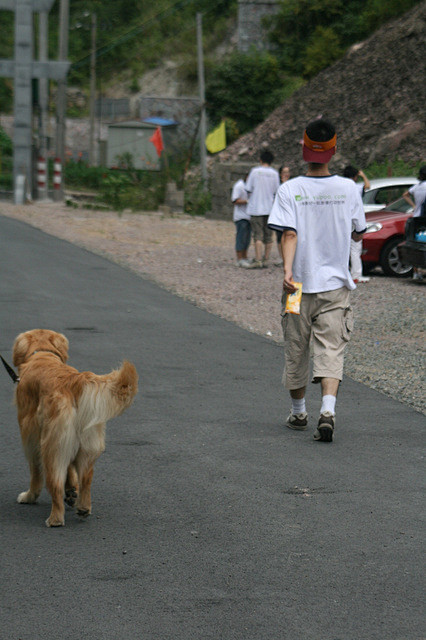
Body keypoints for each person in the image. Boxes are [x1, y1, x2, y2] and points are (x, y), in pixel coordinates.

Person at [268, 118, 367, 442]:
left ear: (303, 148)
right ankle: (328, 410)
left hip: (296, 286)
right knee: (331, 349)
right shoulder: (349, 188)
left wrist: (287, 271)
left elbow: (290, 233)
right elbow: (357, 230)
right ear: (333, 150)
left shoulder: (289, 189)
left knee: (296, 349)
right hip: (335, 286)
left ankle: (299, 413)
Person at [245, 150, 280, 268]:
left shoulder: (255, 172)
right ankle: (266, 259)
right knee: (269, 235)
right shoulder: (275, 174)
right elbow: (276, 191)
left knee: (257, 235)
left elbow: (248, 188)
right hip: (270, 208)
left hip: (256, 207)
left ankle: (258, 259)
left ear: (260, 160)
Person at [343, 165, 371, 283]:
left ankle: (342, 274)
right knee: (355, 249)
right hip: (353, 222)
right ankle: (356, 275)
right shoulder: (356, 187)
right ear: (355, 177)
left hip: (340, 221)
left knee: (342, 249)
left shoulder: (339, 187)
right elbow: (368, 186)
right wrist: (363, 175)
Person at [402, 165, 426, 281]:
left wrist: (413, 206)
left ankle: (416, 272)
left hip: (416, 218)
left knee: (416, 244)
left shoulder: (416, 187)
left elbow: (405, 195)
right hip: (425, 218)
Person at [231, 174, 251, 267]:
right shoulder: (239, 186)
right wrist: (247, 201)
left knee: (247, 238)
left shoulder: (251, 187)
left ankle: (245, 257)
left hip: (249, 216)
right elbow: (235, 200)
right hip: (240, 216)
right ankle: (239, 258)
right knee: (241, 237)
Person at [275, 166, 291, 266]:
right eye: (284, 172)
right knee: (279, 237)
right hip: (280, 215)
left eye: (288, 172)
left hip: (290, 215)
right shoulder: (278, 185)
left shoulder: (293, 185)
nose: (286, 174)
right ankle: (282, 257)